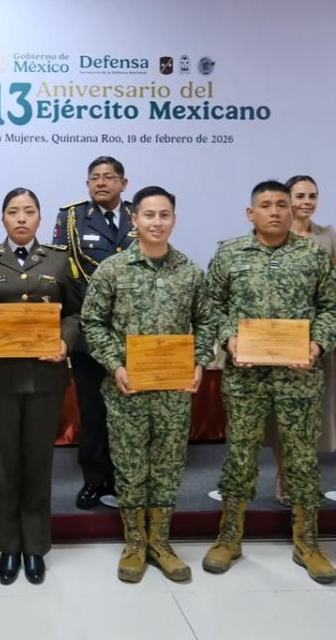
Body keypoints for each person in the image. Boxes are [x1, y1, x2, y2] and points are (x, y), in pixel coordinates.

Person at [203, 180, 336, 585]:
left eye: (282, 205)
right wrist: (228, 335)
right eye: (265, 205)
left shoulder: (312, 255)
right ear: (250, 213)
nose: (275, 211)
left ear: (292, 211)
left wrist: (318, 344)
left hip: (298, 377)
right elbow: (211, 304)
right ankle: (229, 536)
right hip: (245, 376)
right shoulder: (229, 253)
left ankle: (308, 542)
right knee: (240, 456)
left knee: (301, 458)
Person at [80, 185, 212, 583]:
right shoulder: (113, 270)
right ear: (133, 219)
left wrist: (200, 361)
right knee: (131, 468)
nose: (157, 222)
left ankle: (162, 542)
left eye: (164, 215)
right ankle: (135, 543)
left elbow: (206, 322)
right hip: (128, 390)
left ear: (174, 219)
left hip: (173, 391)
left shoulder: (189, 271)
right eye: (149, 215)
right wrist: (113, 364)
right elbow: (92, 322)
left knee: (169, 468)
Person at [0, 188, 82, 586]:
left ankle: (36, 546)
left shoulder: (59, 261)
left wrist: (65, 341)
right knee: (6, 465)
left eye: (29, 211)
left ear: (40, 218)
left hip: (45, 376)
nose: (21, 218)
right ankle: (9, 545)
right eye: (13, 211)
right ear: (4, 218)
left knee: (38, 463)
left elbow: (78, 312)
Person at [52, 156, 134, 509]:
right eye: (95, 178)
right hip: (90, 331)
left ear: (123, 183)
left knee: (130, 408)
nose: (101, 183)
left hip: (132, 333)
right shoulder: (70, 218)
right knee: (93, 408)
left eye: (109, 177)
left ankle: (126, 477)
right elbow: (63, 273)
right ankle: (95, 479)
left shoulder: (140, 215)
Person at [263, 174, 336, 504]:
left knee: (315, 415)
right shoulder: (273, 236)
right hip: (279, 340)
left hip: (318, 340)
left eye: (312, 195)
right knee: (280, 417)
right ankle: (284, 478)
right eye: (299, 195)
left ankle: (305, 478)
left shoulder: (327, 236)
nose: (306, 201)